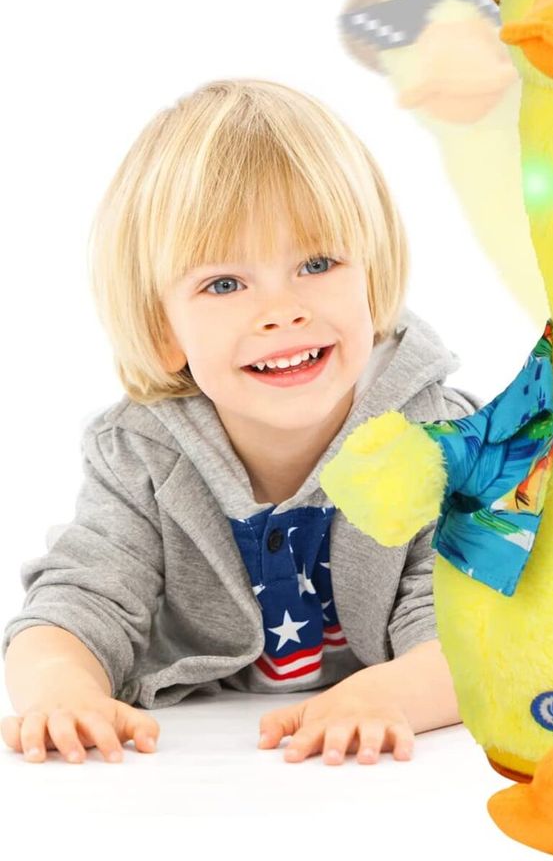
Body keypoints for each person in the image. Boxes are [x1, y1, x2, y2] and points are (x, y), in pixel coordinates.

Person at [1, 78, 477, 766]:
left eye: (317, 263)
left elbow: (470, 627)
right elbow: (78, 599)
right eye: (224, 284)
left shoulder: (438, 438)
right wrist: (62, 692)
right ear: (163, 329)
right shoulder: (141, 453)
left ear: (371, 279)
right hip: (204, 757)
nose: (282, 311)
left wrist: (390, 696)